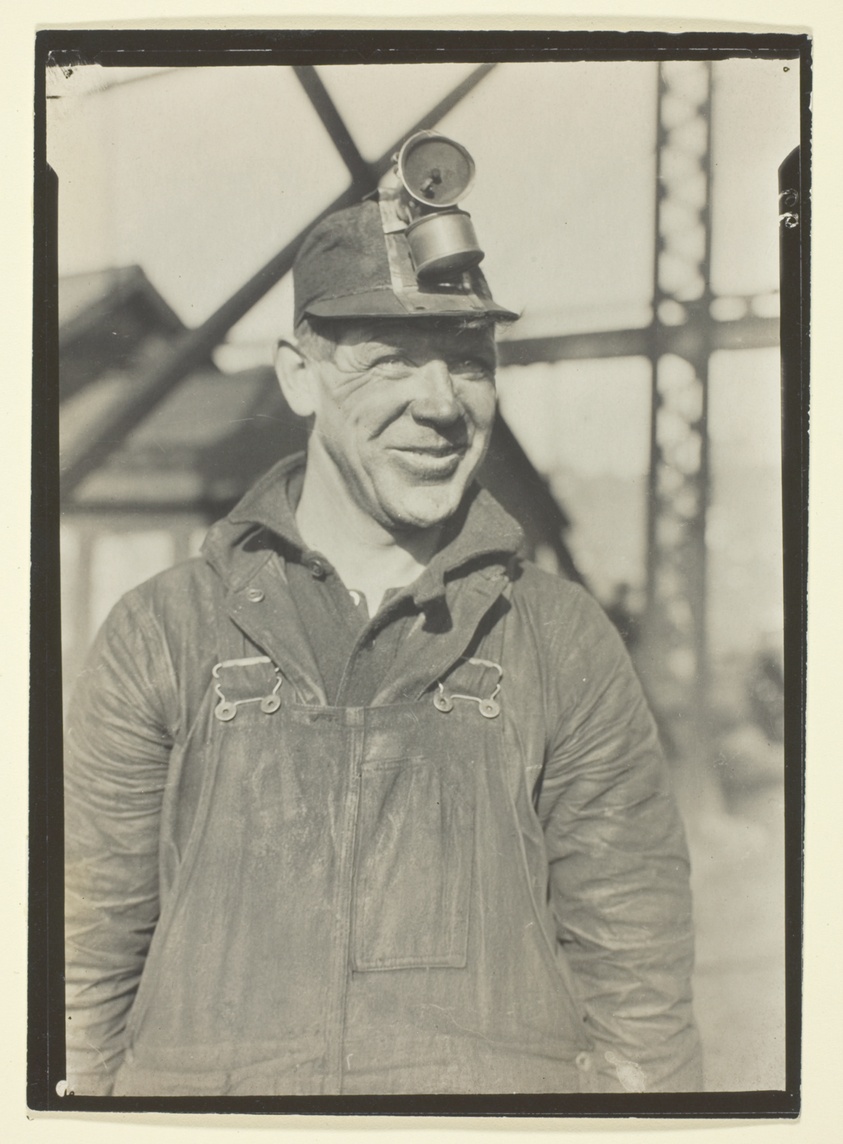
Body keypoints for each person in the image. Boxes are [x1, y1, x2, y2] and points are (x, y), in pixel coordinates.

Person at [64, 135, 703, 1097]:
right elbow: (77, 967)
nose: (439, 404)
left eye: (469, 362)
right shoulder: (163, 634)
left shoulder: (561, 642)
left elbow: (640, 989)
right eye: (386, 362)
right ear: (296, 375)